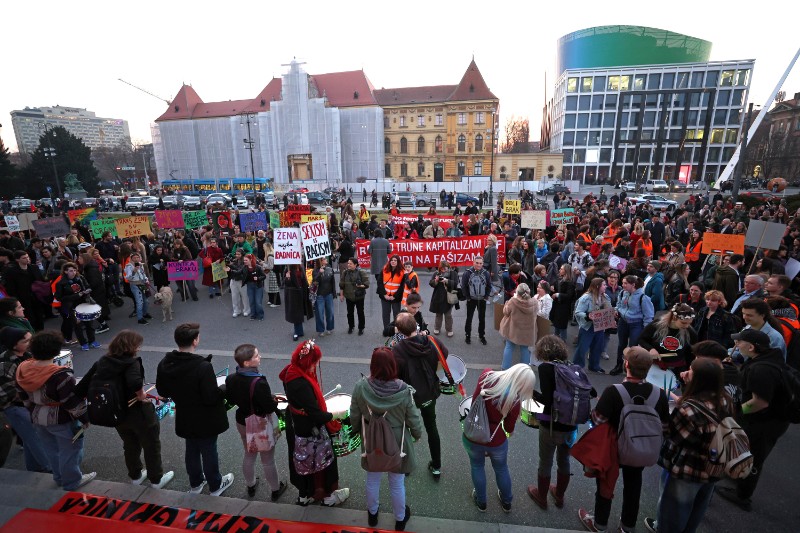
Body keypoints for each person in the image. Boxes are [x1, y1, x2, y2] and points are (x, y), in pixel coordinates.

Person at [578, 347, 669, 533]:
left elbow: (597, 420)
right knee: (634, 485)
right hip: (641, 449)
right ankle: (627, 526)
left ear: (626, 364)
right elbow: (665, 427)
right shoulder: (659, 394)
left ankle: (600, 524)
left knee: (606, 482)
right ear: (649, 369)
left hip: (614, 447)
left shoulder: (614, 391)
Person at [77, 330, 174, 489]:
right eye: (137, 346)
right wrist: (141, 395)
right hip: (138, 412)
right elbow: (135, 382)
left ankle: (135, 476)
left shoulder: (102, 361)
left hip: (116, 413)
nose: (139, 349)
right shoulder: (130, 363)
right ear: (131, 347)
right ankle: (156, 479)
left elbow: (81, 388)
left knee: (130, 444)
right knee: (151, 445)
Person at [644, 359, 732, 533]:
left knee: (674, 511)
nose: (686, 372)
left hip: (689, 467)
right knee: (698, 507)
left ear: (699, 378)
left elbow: (673, 436)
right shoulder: (725, 399)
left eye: (690, 370)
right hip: (715, 462)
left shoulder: (688, 409)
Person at [715, 329, 790, 512]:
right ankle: (739, 475)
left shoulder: (761, 369)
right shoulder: (767, 359)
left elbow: (760, 402)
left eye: (739, 343)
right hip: (773, 418)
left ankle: (743, 495)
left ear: (751, 346)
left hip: (768, 421)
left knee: (754, 455)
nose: (736, 346)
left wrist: (737, 412)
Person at [156, 323, 233, 496]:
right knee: (209, 450)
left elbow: (162, 391)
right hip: (205, 417)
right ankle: (215, 484)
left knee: (191, 449)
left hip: (184, 415)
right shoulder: (202, 366)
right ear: (195, 341)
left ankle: (196, 483)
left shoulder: (166, 363)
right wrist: (223, 388)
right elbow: (210, 397)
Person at [350, 347, 422, 531]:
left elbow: (354, 415)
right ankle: (399, 518)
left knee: (372, 479)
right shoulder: (404, 390)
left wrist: (357, 431)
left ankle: (372, 514)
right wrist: (416, 434)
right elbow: (413, 419)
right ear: (393, 365)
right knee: (397, 482)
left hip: (371, 438)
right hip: (397, 442)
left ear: (372, 365)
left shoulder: (360, 387)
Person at [15, 330, 96, 490]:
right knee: (70, 450)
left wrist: (31, 410)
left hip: (37, 416)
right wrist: (85, 418)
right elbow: (71, 402)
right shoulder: (60, 375)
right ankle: (72, 481)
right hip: (61, 418)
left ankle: (59, 477)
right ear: (57, 351)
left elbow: (22, 395)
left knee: (51, 449)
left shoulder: (23, 368)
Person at [279, 339, 350, 506]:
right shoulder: (301, 384)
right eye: (315, 361)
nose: (316, 365)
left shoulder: (290, 371)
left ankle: (305, 495)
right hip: (309, 428)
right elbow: (316, 415)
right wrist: (335, 415)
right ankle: (326, 495)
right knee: (321, 462)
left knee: (302, 462)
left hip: (296, 424)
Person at [463, 364, 534, 513]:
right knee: (501, 468)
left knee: (477, 466)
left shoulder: (486, 376)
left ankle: (481, 501)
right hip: (496, 439)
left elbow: (475, 399)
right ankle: (506, 501)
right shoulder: (514, 401)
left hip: (474, 434)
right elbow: (508, 429)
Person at [224, 344, 287, 501]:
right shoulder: (259, 382)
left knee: (249, 453)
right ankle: (275, 489)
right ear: (247, 363)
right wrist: (273, 400)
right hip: (259, 423)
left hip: (242, 421)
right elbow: (269, 406)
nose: (260, 358)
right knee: (267, 460)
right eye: (256, 356)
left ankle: (251, 485)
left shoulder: (231, 378)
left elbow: (231, 399)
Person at [392, 312, 446, 480]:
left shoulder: (398, 349)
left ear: (400, 331)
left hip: (407, 396)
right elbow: (445, 354)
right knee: (432, 427)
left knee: (405, 430)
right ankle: (436, 466)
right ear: (416, 325)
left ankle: (406, 466)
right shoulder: (431, 340)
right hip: (429, 391)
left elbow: (395, 373)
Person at [529, 335, 579, 510]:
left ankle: (541, 497)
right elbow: (592, 392)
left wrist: (532, 395)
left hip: (551, 425)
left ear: (543, 351)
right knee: (564, 460)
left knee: (546, 461)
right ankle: (559, 496)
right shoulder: (573, 367)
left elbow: (548, 401)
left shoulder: (545, 369)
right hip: (571, 425)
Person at [0, 327, 50, 472]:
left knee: (29, 439)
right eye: (26, 340)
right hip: (14, 407)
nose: (31, 342)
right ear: (14, 345)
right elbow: (6, 393)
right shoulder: (5, 364)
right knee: (37, 437)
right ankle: (51, 470)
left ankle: (34, 469)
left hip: (27, 403)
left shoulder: (27, 354)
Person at [639, 303, 699, 377]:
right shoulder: (657, 325)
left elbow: (692, 352)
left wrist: (689, 369)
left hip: (678, 366)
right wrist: (651, 349)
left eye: (689, 323)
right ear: (674, 317)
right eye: (683, 323)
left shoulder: (690, 332)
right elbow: (642, 339)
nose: (687, 326)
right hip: (657, 365)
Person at [611, 275, 654, 376]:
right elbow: (619, 304)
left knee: (633, 347)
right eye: (623, 283)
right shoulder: (622, 293)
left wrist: (645, 330)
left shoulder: (643, 298)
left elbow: (648, 315)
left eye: (626, 283)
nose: (623, 285)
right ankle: (618, 365)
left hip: (636, 324)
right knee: (621, 345)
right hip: (623, 322)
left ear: (633, 285)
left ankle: (631, 368)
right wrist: (617, 310)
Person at [55, 262, 100, 351]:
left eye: (75, 270)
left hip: (84, 304)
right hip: (72, 307)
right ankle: (83, 343)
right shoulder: (61, 283)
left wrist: (87, 290)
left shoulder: (80, 278)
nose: (74, 272)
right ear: (65, 271)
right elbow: (59, 297)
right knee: (77, 325)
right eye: (71, 271)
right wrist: (76, 296)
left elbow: (87, 286)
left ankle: (92, 341)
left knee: (89, 324)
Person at [573, 278, 612, 373]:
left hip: (600, 326)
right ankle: (577, 367)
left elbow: (609, 310)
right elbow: (578, 312)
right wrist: (587, 316)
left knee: (597, 347)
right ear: (597, 286)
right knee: (583, 347)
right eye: (604, 285)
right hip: (588, 327)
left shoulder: (606, 297)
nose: (606, 286)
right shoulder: (586, 297)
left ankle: (594, 366)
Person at [499, 283, 538, 369]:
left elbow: (506, 312)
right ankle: (523, 370)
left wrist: (506, 304)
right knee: (524, 349)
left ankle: (505, 368)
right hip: (527, 331)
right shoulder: (534, 302)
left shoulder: (513, 301)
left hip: (513, 330)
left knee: (509, 347)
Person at [462, 256, 491, 345]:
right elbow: (464, 286)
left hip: (482, 300)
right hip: (471, 300)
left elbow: (489, 286)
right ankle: (467, 336)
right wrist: (468, 297)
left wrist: (486, 297)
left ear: (483, 264)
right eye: (477, 263)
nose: (479, 265)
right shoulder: (467, 273)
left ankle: (482, 336)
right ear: (473, 262)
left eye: (480, 263)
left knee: (482, 319)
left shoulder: (486, 273)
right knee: (469, 318)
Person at [339, 257, 370, 335]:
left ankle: (361, 328)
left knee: (360, 312)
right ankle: (351, 326)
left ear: (355, 264)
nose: (348, 265)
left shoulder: (361, 272)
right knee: (350, 313)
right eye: (348, 263)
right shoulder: (345, 272)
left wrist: (360, 286)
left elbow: (367, 284)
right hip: (349, 296)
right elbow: (342, 284)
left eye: (350, 263)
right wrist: (341, 295)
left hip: (359, 296)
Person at [428, 260, 459, 337]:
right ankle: (437, 328)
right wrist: (436, 280)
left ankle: (449, 329)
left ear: (448, 267)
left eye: (445, 268)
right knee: (438, 314)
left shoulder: (453, 273)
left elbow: (455, 283)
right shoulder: (436, 273)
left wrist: (447, 281)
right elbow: (431, 283)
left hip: (449, 297)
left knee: (448, 315)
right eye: (442, 269)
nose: (443, 270)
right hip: (438, 297)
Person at [284, 265, 313, 341]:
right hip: (293, 293)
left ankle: (300, 331)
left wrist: (308, 287)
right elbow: (284, 283)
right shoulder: (288, 268)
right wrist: (287, 278)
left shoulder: (301, 267)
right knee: (296, 313)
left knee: (300, 312)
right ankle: (296, 332)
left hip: (302, 292)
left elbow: (304, 279)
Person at [124, 252, 152, 325]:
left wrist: (146, 280)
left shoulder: (140, 264)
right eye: (134, 257)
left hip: (142, 284)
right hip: (134, 285)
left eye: (137, 257)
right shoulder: (128, 266)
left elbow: (143, 274)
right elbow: (128, 277)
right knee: (139, 302)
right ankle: (140, 318)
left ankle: (144, 313)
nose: (136, 259)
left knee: (146, 301)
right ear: (131, 258)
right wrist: (134, 270)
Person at [551, 264, 576, 341]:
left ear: (566, 271)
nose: (559, 270)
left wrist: (558, 294)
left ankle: (562, 339)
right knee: (556, 322)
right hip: (557, 304)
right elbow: (555, 288)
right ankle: (556, 336)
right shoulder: (559, 279)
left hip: (564, 306)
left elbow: (569, 295)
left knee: (562, 324)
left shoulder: (570, 282)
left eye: (561, 269)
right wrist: (552, 288)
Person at [380, 255, 405, 330]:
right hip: (385, 297)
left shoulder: (402, 272)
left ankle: (396, 330)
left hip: (396, 298)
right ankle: (387, 329)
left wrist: (395, 296)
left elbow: (402, 286)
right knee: (385, 314)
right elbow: (380, 283)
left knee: (396, 315)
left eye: (395, 260)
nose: (393, 262)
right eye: (392, 260)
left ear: (398, 262)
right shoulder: (384, 270)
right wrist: (384, 294)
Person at [312, 257, 336, 336]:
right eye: (324, 259)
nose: (326, 260)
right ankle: (321, 330)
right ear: (320, 261)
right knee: (320, 314)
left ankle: (330, 328)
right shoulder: (315, 271)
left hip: (329, 294)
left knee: (330, 313)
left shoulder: (330, 269)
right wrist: (319, 273)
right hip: (320, 296)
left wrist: (334, 293)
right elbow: (314, 282)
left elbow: (333, 282)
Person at [226, 249, 250, 318]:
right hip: (233, 280)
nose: (237, 256)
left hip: (241, 281)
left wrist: (231, 266)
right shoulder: (234, 261)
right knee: (234, 297)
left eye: (239, 254)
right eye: (236, 254)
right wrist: (227, 264)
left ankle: (246, 310)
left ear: (242, 254)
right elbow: (229, 269)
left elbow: (240, 270)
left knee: (244, 296)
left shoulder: (245, 261)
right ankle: (236, 311)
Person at [243, 254, 266, 321]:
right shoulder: (245, 267)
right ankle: (253, 315)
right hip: (249, 286)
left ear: (250, 260)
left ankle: (261, 315)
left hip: (258, 286)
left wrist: (258, 278)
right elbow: (239, 272)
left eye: (246, 260)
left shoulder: (258, 267)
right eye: (244, 260)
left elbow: (264, 276)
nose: (244, 261)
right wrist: (231, 270)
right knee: (251, 301)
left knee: (258, 302)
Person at [263, 242, 281, 308]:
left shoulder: (270, 256)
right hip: (271, 273)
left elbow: (270, 266)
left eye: (264, 247)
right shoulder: (271, 254)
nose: (263, 248)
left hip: (271, 273)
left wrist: (263, 264)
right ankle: (271, 300)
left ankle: (277, 302)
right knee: (271, 288)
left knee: (274, 288)